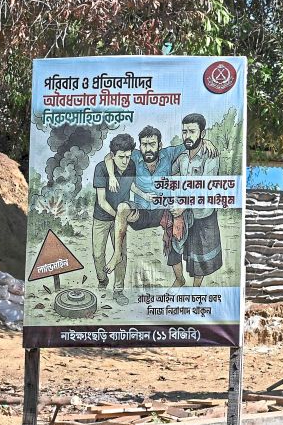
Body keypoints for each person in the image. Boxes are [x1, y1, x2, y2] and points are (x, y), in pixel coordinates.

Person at [104, 125, 214, 303]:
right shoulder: (135, 155)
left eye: (152, 144)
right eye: (144, 144)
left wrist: (204, 141)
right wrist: (111, 175)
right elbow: (110, 156)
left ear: (159, 145)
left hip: (164, 210)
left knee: (177, 232)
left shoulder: (169, 154)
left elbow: (191, 144)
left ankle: (179, 279)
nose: (148, 148)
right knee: (123, 209)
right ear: (139, 146)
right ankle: (117, 255)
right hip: (142, 212)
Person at [167, 113, 223, 287]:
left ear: (202, 133)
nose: (187, 136)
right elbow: (169, 172)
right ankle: (179, 280)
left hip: (203, 214)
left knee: (200, 257)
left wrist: (183, 206)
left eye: (192, 131)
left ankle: (195, 289)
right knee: (174, 248)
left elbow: (206, 187)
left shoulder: (211, 156)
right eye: (184, 132)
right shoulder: (182, 157)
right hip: (183, 215)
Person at [91, 134, 136, 295]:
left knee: (121, 254)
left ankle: (118, 290)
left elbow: (132, 187)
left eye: (128, 156)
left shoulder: (132, 165)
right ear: (113, 156)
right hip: (102, 218)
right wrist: (118, 216)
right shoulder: (100, 168)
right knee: (97, 254)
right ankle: (103, 279)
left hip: (120, 219)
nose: (125, 161)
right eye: (121, 157)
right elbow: (102, 201)